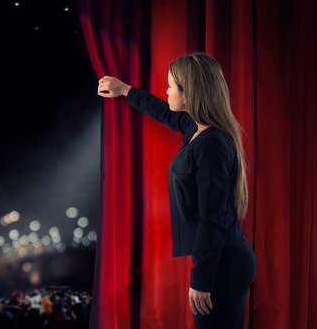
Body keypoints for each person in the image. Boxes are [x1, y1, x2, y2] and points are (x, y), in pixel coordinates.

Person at [97, 52, 257, 328]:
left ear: (189, 93)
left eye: (171, 85)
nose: (166, 90)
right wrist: (125, 90)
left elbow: (212, 218)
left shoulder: (211, 143)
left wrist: (202, 279)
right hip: (223, 260)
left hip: (223, 266)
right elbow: (163, 111)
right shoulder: (197, 129)